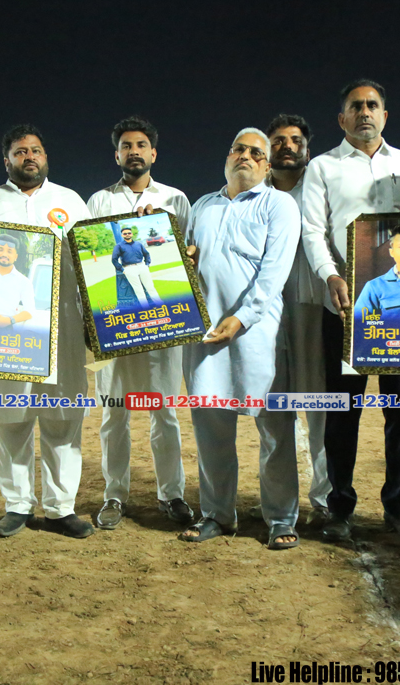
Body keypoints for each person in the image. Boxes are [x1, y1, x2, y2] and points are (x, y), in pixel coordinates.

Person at [0, 124, 94, 539]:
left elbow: (93, 259)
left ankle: (61, 508)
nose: (30, 157)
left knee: (63, 416)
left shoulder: (70, 201)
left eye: (36, 150)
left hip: (62, 325)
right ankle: (17, 505)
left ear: (46, 157)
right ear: (6, 159)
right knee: (12, 417)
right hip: (3, 335)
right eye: (21, 151)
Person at [301, 79, 400, 545]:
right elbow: (313, 231)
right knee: (343, 413)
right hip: (343, 307)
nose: (364, 112)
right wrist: (330, 276)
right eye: (355, 106)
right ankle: (339, 508)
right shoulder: (322, 167)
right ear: (341, 118)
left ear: (385, 114)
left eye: (372, 105)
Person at [179, 128, 300, 549]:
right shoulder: (203, 206)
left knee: (275, 430)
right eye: (238, 149)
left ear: (267, 165)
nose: (245, 156)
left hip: (259, 334)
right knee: (211, 431)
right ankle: (216, 514)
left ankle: (281, 518)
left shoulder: (278, 204)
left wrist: (243, 317)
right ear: (227, 157)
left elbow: (274, 271)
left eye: (256, 152)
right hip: (204, 334)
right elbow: (186, 264)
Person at [85, 116, 193, 530]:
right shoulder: (99, 202)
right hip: (114, 323)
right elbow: (92, 262)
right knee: (115, 412)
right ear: (117, 155)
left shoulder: (176, 200)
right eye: (126, 146)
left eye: (141, 145)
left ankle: (172, 494)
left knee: (164, 410)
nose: (134, 151)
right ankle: (115, 494)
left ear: (153, 153)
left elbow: (187, 255)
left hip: (163, 324)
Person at [253, 114, 331, 527]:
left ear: (307, 150)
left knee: (319, 409)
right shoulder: (252, 193)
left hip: (314, 308)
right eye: (278, 140)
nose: (287, 146)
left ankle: (325, 499)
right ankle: (279, 509)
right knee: (271, 413)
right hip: (263, 314)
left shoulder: (321, 191)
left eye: (295, 140)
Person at [111, 226, 160, 306]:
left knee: (150, 288)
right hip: (129, 269)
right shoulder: (119, 246)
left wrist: (147, 264)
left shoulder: (138, 244)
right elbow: (114, 259)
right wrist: (122, 269)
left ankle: (160, 305)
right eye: (125, 234)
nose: (127, 234)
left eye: (129, 233)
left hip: (142, 266)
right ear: (122, 235)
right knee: (139, 290)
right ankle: (146, 308)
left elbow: (146, 254)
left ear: (132, 234)